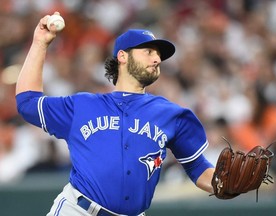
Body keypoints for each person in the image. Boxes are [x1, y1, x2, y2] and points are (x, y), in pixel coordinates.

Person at [16, 12, 215, 216]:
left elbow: (198, 167)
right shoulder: (82, 105)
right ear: (122, 56)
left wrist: (225, 184)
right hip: (78, 210)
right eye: (148, 51)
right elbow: (27, 102)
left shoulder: (172, 115)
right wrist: (40, 43)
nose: (157, 59)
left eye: (159, 56)